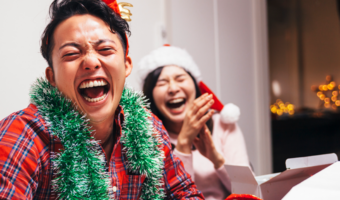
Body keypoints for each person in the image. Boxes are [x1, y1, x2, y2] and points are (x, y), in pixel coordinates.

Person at [0, 1, 204, 199]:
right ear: (51, 77)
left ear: (126, 65)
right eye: (71, 53)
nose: (90, 61)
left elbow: (184, 192)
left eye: (105, 50)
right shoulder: (24, 134)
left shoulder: (149, 129)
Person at [137, 45, 251, 199]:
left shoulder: (223, 124)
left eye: (180, 79)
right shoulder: (146, 138)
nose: (173, 88)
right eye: (162, 82)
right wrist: (184, 143)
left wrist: (216, 159)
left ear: (195, 86)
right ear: (150, 95)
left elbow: (250, 191)